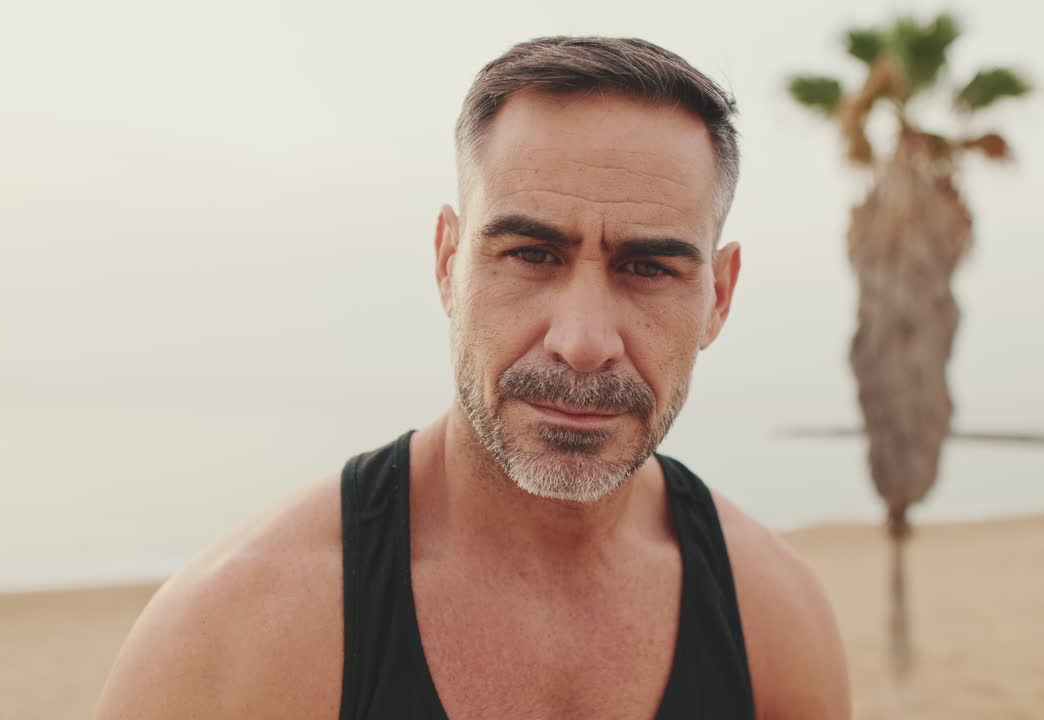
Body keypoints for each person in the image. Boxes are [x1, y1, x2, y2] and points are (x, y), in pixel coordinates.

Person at [95, 36, 850, 719]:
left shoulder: (772, 616)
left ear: (719, 297)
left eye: (648, 268)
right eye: (532, 255)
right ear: (448, 263)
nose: (583, 343)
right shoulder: (240, 626)